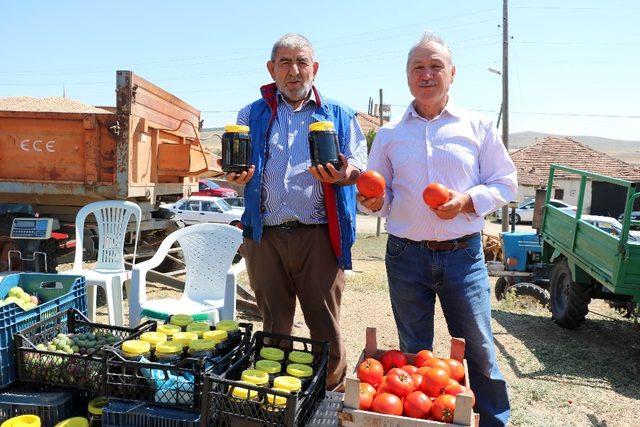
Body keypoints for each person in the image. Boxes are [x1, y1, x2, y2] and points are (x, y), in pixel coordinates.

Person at [358, 32, 516, 426]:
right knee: (415, 354)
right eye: (418, 68)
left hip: (463, 255)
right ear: (407, 76)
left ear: (452, 74)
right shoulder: (391, 134)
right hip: (405, 255)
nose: (426, 74)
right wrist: (373, 202)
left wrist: (466, 201)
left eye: (435, 66)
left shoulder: (478, 126)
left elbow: (506, 183)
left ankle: (494, 420)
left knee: (479, 350)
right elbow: (379, 190)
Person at [220, 33, 367, 390]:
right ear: (272, 69)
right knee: (273, 327)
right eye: (284, 63)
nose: (294, 71)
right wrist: (235, 175)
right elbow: (237, 167)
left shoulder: (340, 114)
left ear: (314, 68)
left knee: (325, 327)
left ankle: (329, 397)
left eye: (301, 62)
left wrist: (346, 174)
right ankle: (278, 400)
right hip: (265, 237)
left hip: (318, 236)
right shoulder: (249, 114)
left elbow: (360, 163)